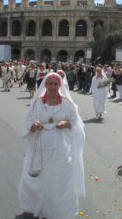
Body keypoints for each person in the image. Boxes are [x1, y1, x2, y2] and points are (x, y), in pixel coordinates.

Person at [18, 73, 85, 219]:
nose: (53, 87)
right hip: (41, 145)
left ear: (59, 86)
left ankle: (56, 211)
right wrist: (34, 125)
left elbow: (76, 123)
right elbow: (29, 122)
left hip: (60, 146)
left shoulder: (66, 103)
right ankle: (36, 207)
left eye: (56, 84)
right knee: (38, 178)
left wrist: (66, 123)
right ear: (46, 85)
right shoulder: (38, 103)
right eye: (51, 84)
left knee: (58, 180)